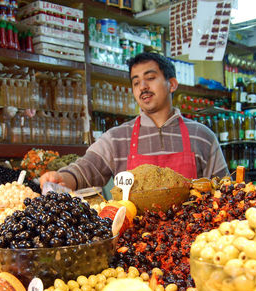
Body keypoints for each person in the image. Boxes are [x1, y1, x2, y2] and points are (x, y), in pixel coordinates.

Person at [40, 52, 229, 190]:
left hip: (192, 239)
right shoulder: (117, 138)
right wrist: (62, 178)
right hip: (133, 241)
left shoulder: (202, 136)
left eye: (150, 78)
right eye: (136, 82)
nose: (143, 87)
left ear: (172, 84)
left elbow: (224, 190)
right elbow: (86, 169)